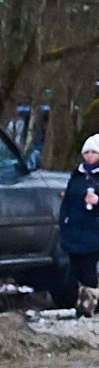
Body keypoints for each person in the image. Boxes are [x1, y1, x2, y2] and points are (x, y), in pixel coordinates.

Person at [61, 135, 99, 317]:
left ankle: (91, 305)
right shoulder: (77, 175)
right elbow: (67, 202)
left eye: (94, 152)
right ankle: (77, 305)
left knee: (90, 271)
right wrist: (65, 222)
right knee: (74, 271)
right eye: (87, 152)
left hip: (94, 232)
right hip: (75, 231)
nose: (90, 156)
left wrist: (97, 201)